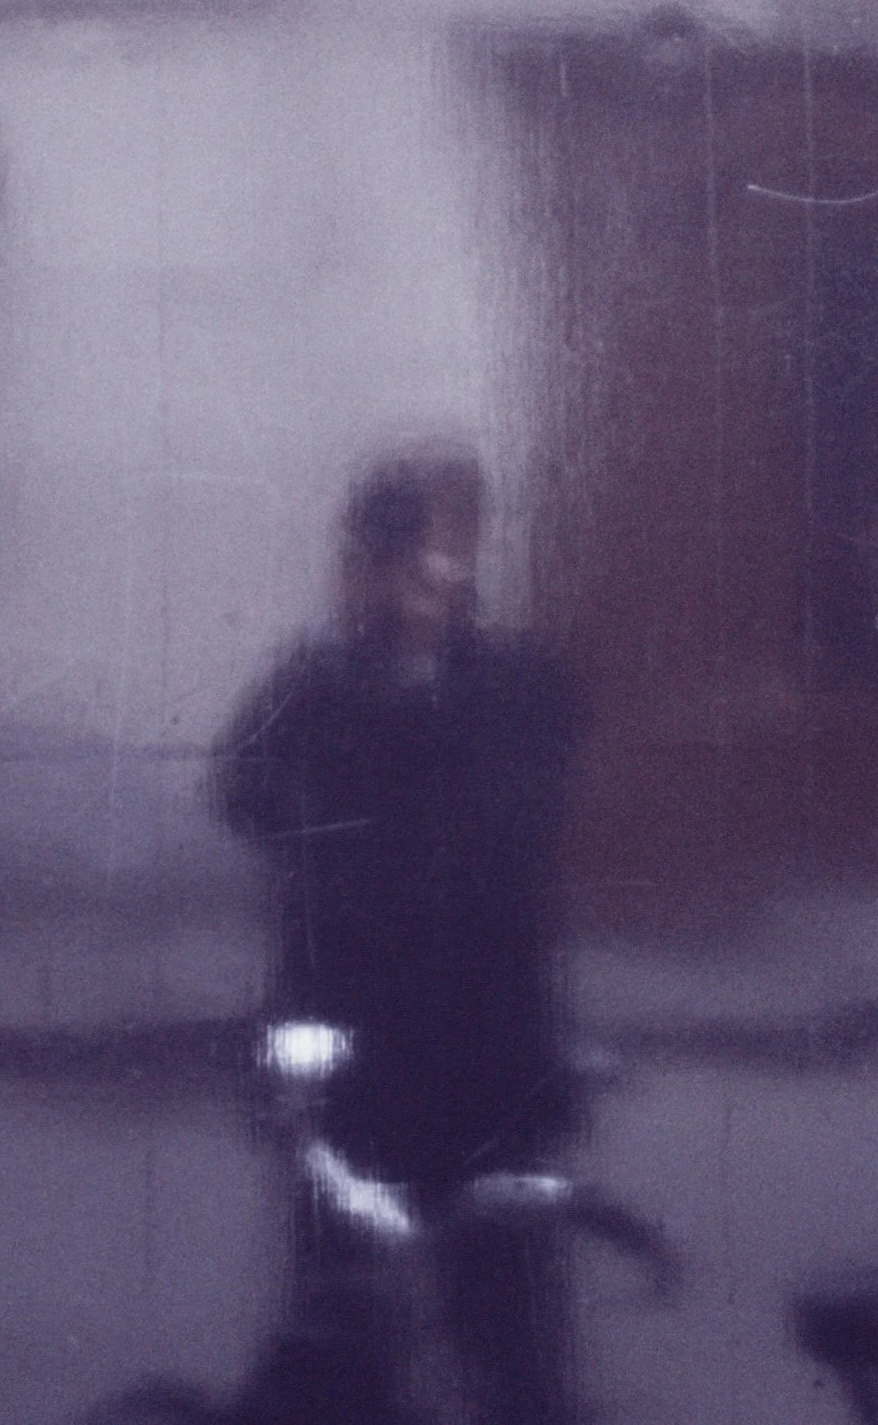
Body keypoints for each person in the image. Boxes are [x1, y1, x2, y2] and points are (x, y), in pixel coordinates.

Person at [214, 447, 578, 1425]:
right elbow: (244, 786)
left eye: (459, 542)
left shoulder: (513, 681)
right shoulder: (320, 683)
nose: (444, 570)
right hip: (353, 1068)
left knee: (513, 1343)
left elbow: (520, 809)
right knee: (342, 1342)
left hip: (487, 1068)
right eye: (418, 547)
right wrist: (356, 672)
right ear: (372, 559)